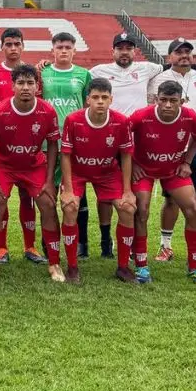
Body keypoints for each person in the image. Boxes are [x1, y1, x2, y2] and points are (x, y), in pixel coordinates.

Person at [128, 81, 196, 285]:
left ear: (181, 102)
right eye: (163, 100)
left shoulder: (190, 116)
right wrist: (132, 163)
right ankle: (141, 267)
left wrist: (187, 161)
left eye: (173, 101)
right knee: (142, 210)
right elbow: (121, 137)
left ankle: (195, 268)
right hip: (144, 170)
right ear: (156, 99)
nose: (167, 105)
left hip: (173, 170)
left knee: (193, 209)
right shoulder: (140, 116)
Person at [148, 38, 196, 263]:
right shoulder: (158, 79)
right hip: (171, 147)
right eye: (178, 52)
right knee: (171, 199)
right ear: (169, 56)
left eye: (188, 52)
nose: (184, 55)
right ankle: (166, 246)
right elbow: (151, 109)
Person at [0, 64, 61, 284]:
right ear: (12, 86)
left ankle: (54, 263)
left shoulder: (47, 111)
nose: (25, 87)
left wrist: (48, 180)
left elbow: (53, 144)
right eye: (21, 83)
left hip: (33, 165)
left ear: (37, 86)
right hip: (4, 165)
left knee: (47, 204)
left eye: (30, 83)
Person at [58, 78, 137, 284]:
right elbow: (65, 154)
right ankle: (72, 267)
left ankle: (123, 267)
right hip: (77, 171)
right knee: (70, 207)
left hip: (108, 172)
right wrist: (67, 189)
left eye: (104, 97)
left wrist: (127, 190)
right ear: (87, 100)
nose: (100, 101)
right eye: (95, 97)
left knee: (127, 208)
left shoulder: (122, 121)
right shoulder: (73, 120)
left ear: (111, 99)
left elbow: (126, 155)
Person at [0, 27, 44, 264]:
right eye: (8, 44)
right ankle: (1, 248)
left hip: (28, 142)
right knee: (1, 196)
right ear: (2, 47)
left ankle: (31, 247)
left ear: (23, 46)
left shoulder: (33, 74)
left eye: (16, 44)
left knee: (28, 197)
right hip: (1, 144)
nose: (12, 48)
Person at [38, 32, 95, 258]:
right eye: (59, 47)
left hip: (76, 143)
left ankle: (81, 243)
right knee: (47, 192)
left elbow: (87, 105)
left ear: (74, 50)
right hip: (48, 142)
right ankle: (47, 242)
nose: (63, 50)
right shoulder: (43, 72)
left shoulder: (84, 74)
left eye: (68, 47)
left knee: (78, 193)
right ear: (52, 50)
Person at [89, 33, 163, 116]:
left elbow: (168, 67)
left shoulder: (146, 68)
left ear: (134, 51)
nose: (124, 52)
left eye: (129, 49)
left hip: (138, 124)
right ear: (113, 51)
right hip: (112, 123)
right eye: (120, 49)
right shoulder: (99, 70)